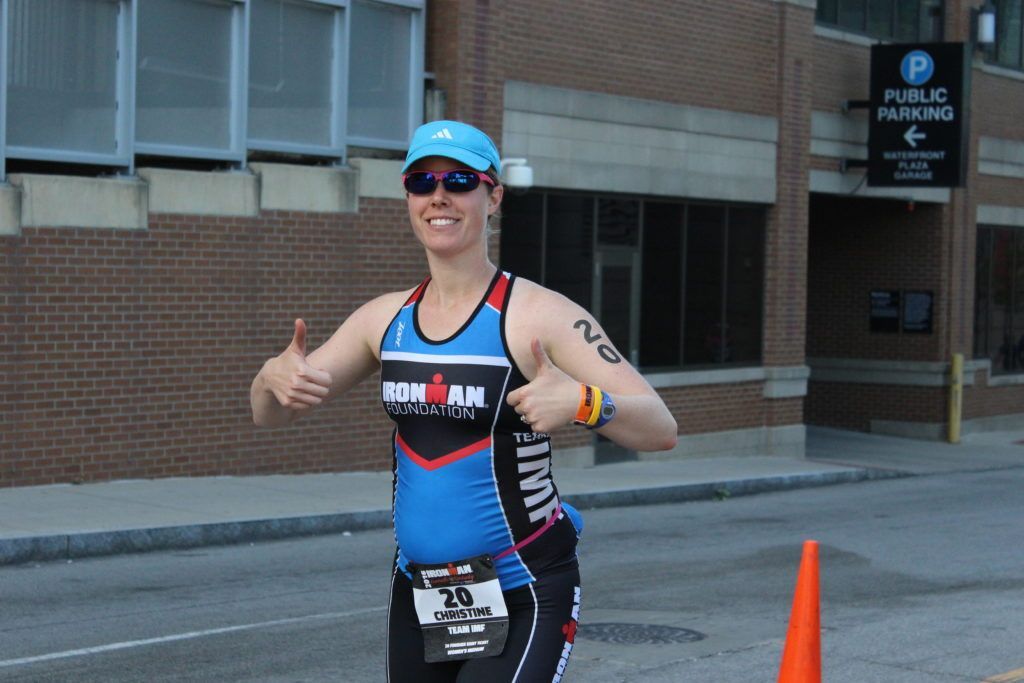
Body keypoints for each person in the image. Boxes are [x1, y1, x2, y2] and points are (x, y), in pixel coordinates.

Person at [250, 120, 678, 682]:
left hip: (525, 585)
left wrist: (583, 401)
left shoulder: (539, 314)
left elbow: (660, 427)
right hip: (422, 589)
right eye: (421, 182)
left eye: (458, 181)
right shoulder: (385, 318)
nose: (438, 196)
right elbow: (272, 414)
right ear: (408, 196)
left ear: (493, 196)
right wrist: (269, 379)